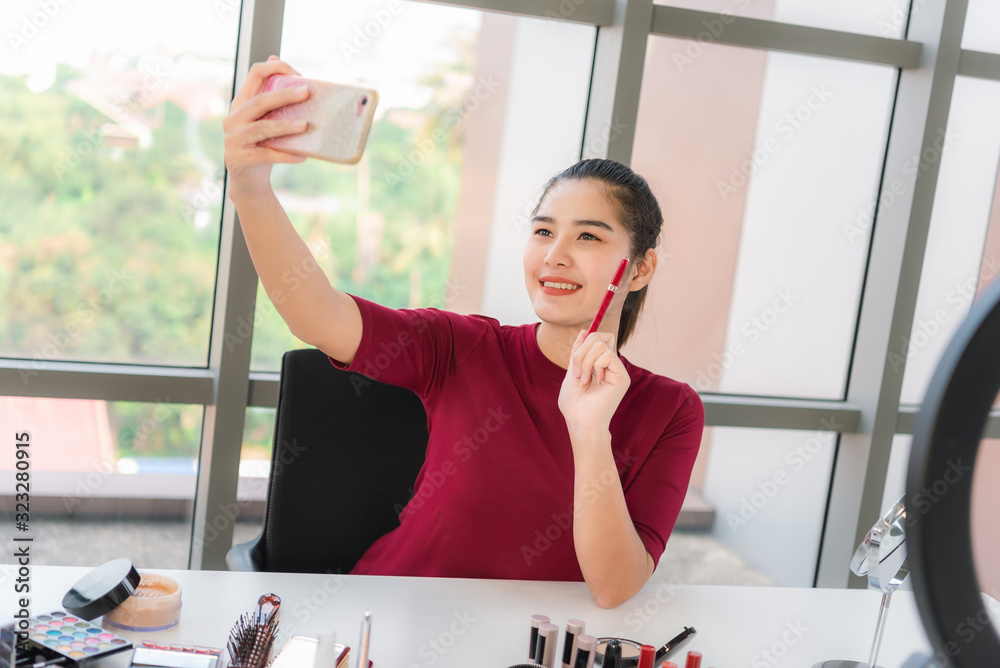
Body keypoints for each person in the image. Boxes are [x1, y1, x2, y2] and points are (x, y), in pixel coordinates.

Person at [223, 56, 704, 609]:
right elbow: (318, 315)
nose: (555, 255)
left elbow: (614, 586)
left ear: (640, 269)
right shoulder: (465, 347)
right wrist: (251, 190)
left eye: (589, 238)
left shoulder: (671, 411)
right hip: (386, 620)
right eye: (543, 231)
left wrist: (590, 431)